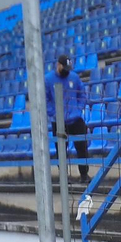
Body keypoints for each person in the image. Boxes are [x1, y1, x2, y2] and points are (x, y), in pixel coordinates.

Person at [45, 54, 89, 182]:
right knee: (61, 150)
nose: (66, 71)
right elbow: (45, 99)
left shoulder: (74, 77)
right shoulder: (48, 79)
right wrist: (54, 113)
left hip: (75, 118)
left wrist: (79, 109)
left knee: (82, 146)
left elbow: (82, 94)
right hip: (58, 120)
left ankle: (84, 175)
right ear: (58, 65)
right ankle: (64, 177)